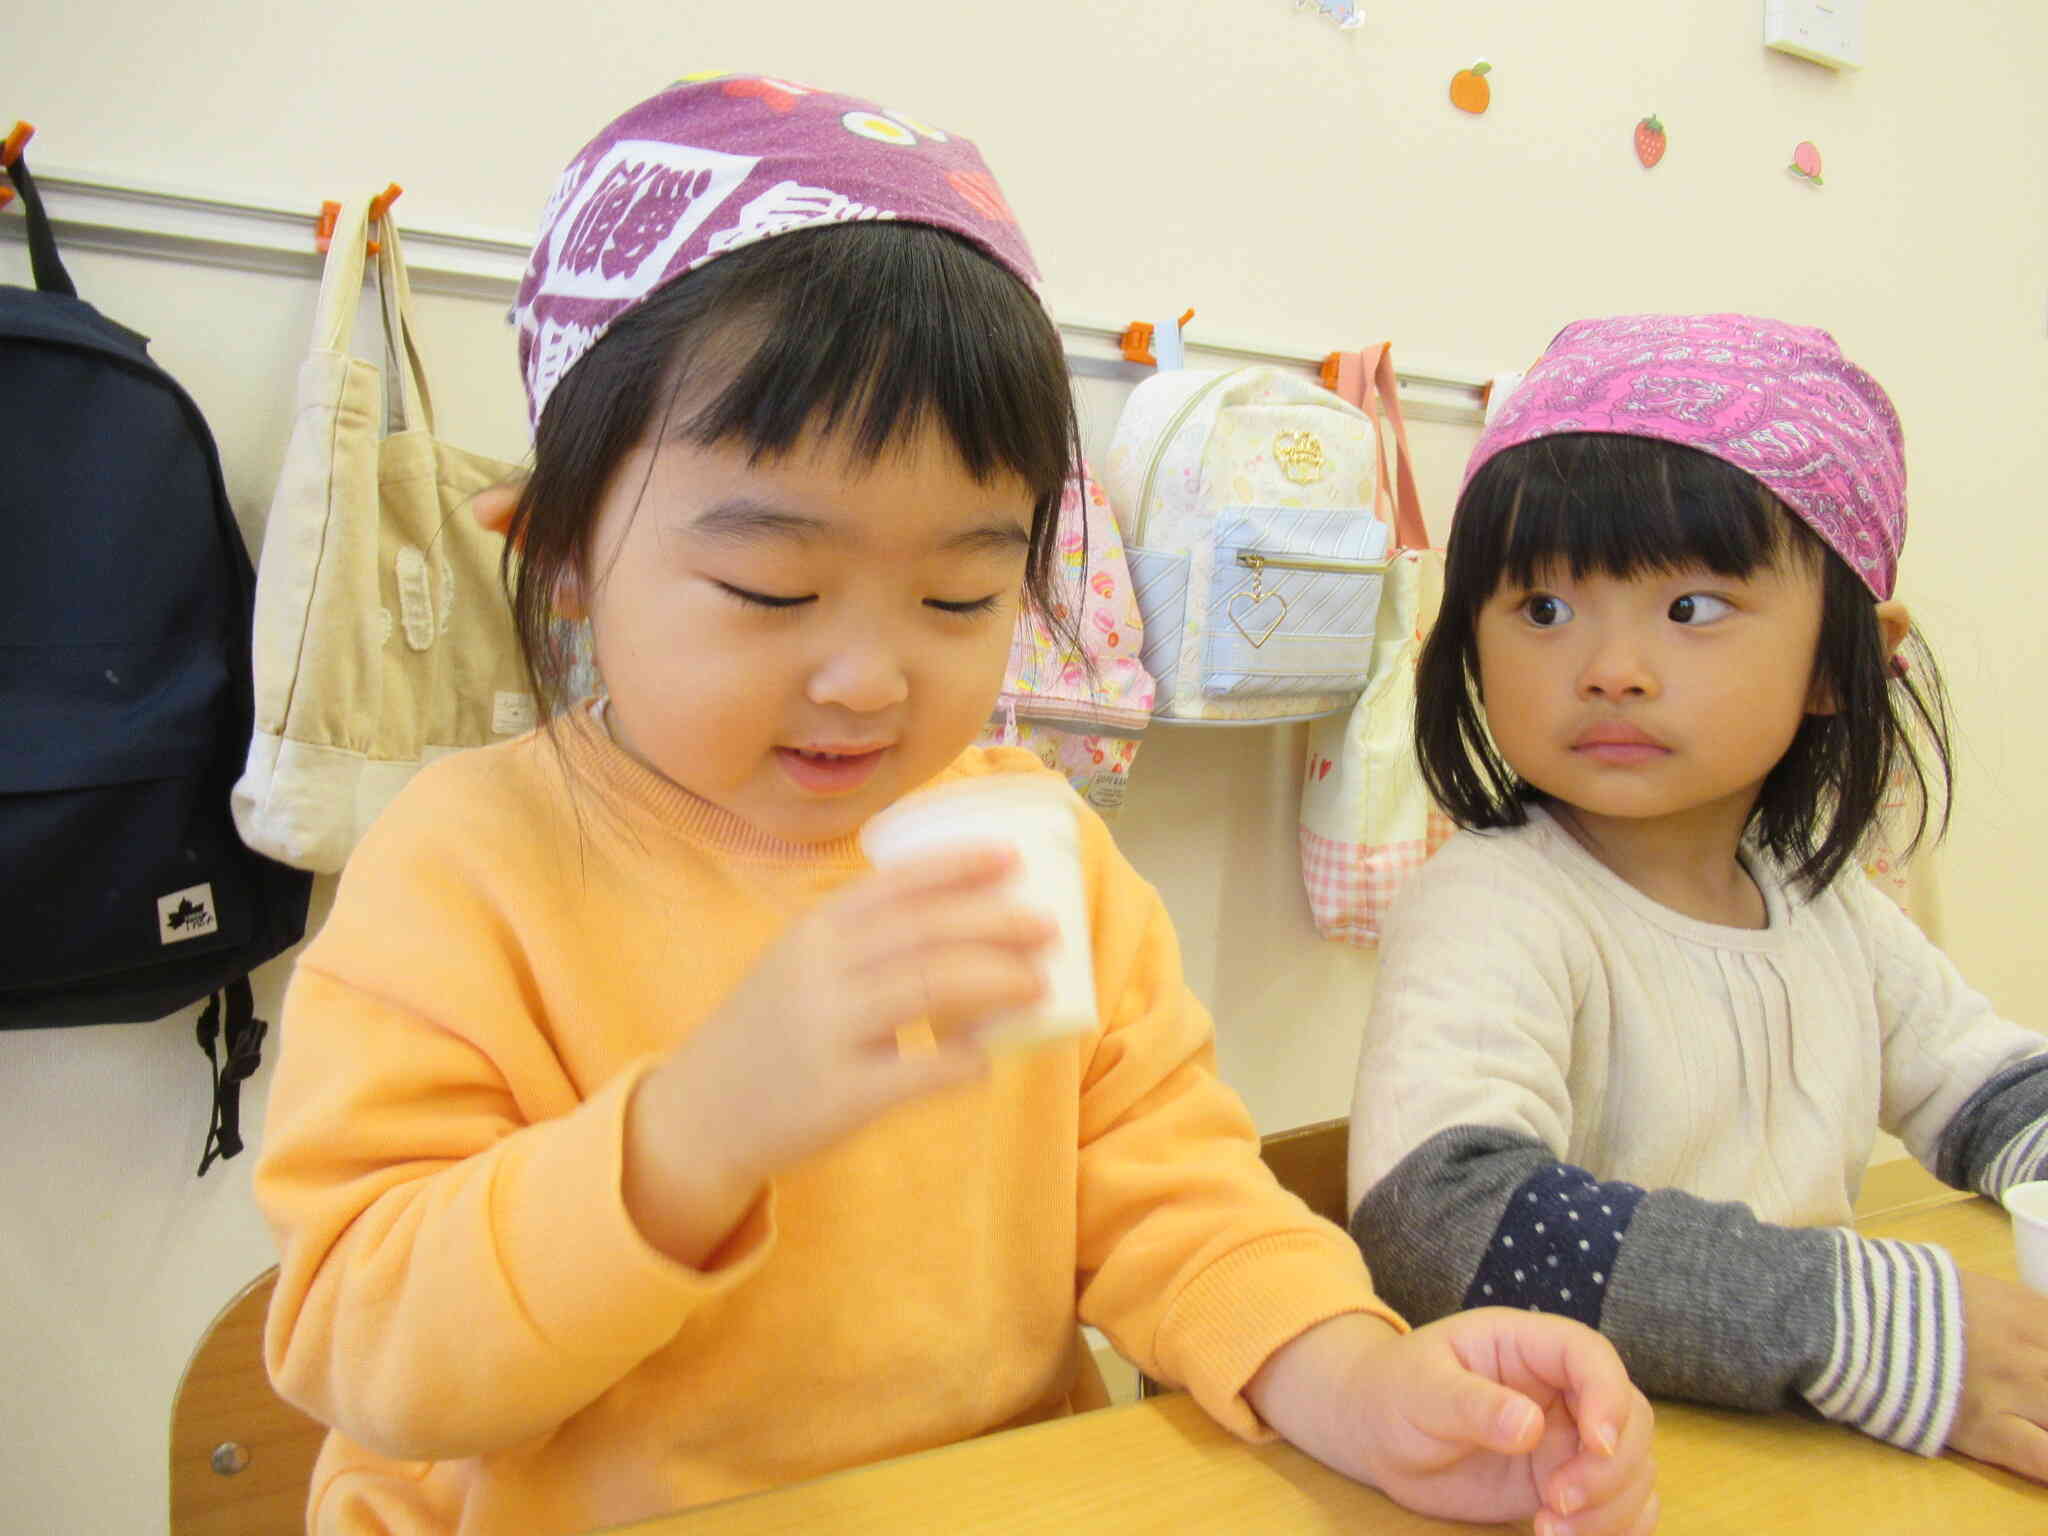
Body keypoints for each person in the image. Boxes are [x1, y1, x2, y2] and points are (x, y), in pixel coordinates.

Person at [252, 78, 1657, 1536]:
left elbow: (1178, 1208)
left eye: (960, 592)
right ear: (558, 558)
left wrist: (1369, 1386)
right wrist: (692, 1133)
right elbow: (372, 1354)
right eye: (771, 589)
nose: (869, 678)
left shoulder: (1035, 849)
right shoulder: (467, 868)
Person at [1347, 312, 2048, 1482]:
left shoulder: (1827, 908)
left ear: (1842, 662)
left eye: (1689, 610)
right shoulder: (1493, 905)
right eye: (1541, 610)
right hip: (1550, 1470)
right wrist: (1865, 1325)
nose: (1608, 666)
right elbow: (1437, 1222)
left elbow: (1987, 1086)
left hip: (1782, 1455)